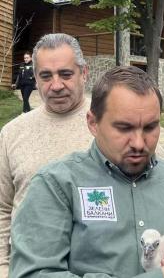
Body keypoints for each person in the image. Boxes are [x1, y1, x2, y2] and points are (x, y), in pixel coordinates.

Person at [10, 66, 164, 278]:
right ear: (93, 123)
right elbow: (32, 273)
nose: (139, 143)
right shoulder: (56, 185)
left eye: (150, 127)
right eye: (124, 128)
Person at [0, 33, 94, 277]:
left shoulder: (114, 122)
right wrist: (3, 268)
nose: (56, 85)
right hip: (28, 269)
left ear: (84, 73)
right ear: (36, 78)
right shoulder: (12, 133)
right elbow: (2, 209)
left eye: (65, 74)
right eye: (46, 76)